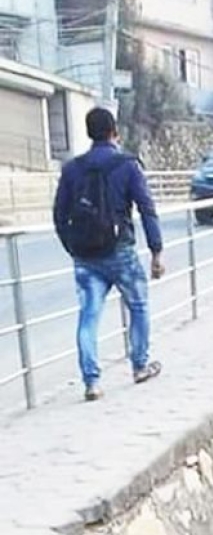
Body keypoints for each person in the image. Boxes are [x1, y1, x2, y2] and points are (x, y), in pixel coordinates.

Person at [53, 107, 164, 402]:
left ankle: (92, 382)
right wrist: (156, 251)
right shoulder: (128, 166)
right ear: (115, 132)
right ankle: (139, 366)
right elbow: (147, 208)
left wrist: (72, 247)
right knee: (138, 306)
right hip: (121, 251)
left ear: (89, 133)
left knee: (88, 316)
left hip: (86, 257)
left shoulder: (72, 169)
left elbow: (59, 215)